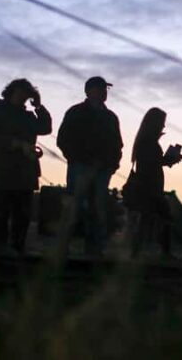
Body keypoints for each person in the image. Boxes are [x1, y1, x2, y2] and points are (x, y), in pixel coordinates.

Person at [0, 78, 52, 253]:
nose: (23, 97)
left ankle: (17, 251)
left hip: (25, 175)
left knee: (22, 218)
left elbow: (46, 128)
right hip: (0, 174)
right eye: (20, 92)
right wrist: (15, 144)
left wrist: (39, 107)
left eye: (26, 94)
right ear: (10, 92)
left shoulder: (28, 116)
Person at [56, 76, 123, 257]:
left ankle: (94, 251)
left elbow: (118, 144)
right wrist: (80, 159)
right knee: (74, 208)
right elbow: (63, 140)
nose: (103, 92)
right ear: (88, 91)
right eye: (99, 88)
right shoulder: (76, 112)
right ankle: (63, 249)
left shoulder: (110, 117)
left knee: (97, 209)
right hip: (80, 167)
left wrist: (111, 165)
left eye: (104, 89)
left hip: (102, 171)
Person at [129, 107, 182, 258]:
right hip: (150, 185)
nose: (163, 126)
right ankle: (163, 252)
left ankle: (138, 252)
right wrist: (170, 159)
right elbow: (153, 162)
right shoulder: (149, 142)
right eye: (162, 122)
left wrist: (170, 159)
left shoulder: (145, 141)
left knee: (149, 219)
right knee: (163, 218)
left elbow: (153, 161)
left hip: (148, 184)